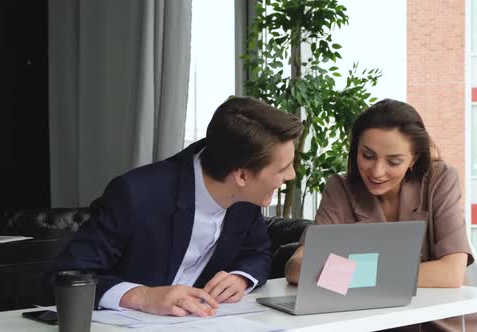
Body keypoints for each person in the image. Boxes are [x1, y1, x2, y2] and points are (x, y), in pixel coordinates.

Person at [56, 96, 303, 317]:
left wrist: (241, 277)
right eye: (282, 169)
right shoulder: (136, 194)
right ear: (242, 176)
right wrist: (142, 297)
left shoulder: (246, 199)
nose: (291, 175)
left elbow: (258, 253)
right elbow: (66, 276)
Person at [285, 99, 477, 331]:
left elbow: (450, 274)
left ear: (414, 158)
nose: (377, 172)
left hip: (443, 323)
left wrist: (350, 274)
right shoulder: (341, 187)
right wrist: (388, 275)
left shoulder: (440, 179)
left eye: (394, 161)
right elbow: (296, 267)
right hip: (372, 321)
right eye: (367, 156)